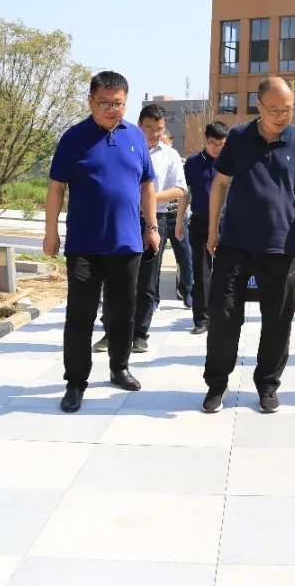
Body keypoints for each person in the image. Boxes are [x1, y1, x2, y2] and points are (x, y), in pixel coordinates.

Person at [202, 77, 295, 414]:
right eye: (274, 110)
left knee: (278, 321)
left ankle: (268, 385)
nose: (282, 116)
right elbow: (220, 183)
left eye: (288, 110)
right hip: (235, 243)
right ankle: (217, 385)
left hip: (281, 247)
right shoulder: (239, 137)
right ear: (259, 106)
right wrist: (212, 229)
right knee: (224, 316)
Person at [43, 71, 161, 414]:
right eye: (104, 103)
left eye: (118, 104)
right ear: (90, 101)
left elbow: (147, 186)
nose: (112, 110)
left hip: (127, 243)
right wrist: (51, 231)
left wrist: (152, 226)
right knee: (80, 315)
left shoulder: (135, 136)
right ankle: (75, 382)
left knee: (123, 312)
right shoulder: (74, 138)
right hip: (84, 245)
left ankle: (119, 367)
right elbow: (56, 188)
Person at [91, 104, 186, 354]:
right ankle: (111, 333)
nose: (154, 133)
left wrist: (149, 198)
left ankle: (140, 334)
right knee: (116, 278)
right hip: (122, 219)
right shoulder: (122, 147)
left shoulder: (170, 155)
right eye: (149, 127)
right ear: (139, 125)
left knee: (147, 280)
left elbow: (180, 189)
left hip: (155, 221)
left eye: (159, 128)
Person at [175, 120, 229, 334]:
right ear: (205, 140)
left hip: (226, 223)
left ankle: (223, 315)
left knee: (226, 271)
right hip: (200, 222)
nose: (217, 148)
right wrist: (179, 220)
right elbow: (185, 193)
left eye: (222, 144)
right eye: (213, 143)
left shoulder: (232, 162)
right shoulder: (193, 163)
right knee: (201, 272)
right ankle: (202, 319)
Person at [161, 129, 195, 308]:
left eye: (164, 141)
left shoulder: (181, 163)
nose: (161, 145)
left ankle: (188, 291)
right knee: (153, 259)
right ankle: (153, 297)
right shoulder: (150, 161)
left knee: (185, 257)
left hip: (177, 216)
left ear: (171, 141)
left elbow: (186, 191)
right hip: (157, 216)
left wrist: (183, 216)